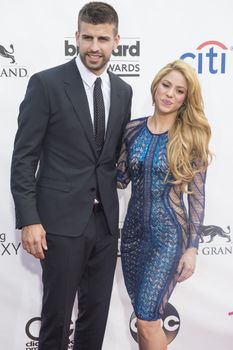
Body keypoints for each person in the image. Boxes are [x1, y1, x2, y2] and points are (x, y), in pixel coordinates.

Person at [10, 2, 132, 350]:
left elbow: (109, 160)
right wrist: (29, 220)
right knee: (56, 320)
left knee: (95, 319)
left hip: (106, 225)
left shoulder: (123, 91)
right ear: (76, 37)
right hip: (59, 225)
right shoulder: (46, 84)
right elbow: (23, 158)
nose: (95, 47)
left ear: (116, 40)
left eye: (103, 39)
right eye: (88, 38)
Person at [117, 60, 211, 350]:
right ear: (156, 85)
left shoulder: (189, 137)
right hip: (131, 237)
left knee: (146, 321)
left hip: (168, 238)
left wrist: (192, 248)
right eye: (166, 85)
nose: (170, 94)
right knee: (145, 321)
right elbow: (119, 179)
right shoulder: (132, 130)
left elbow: (197, 196)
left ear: (186, 98)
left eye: (179, 91)